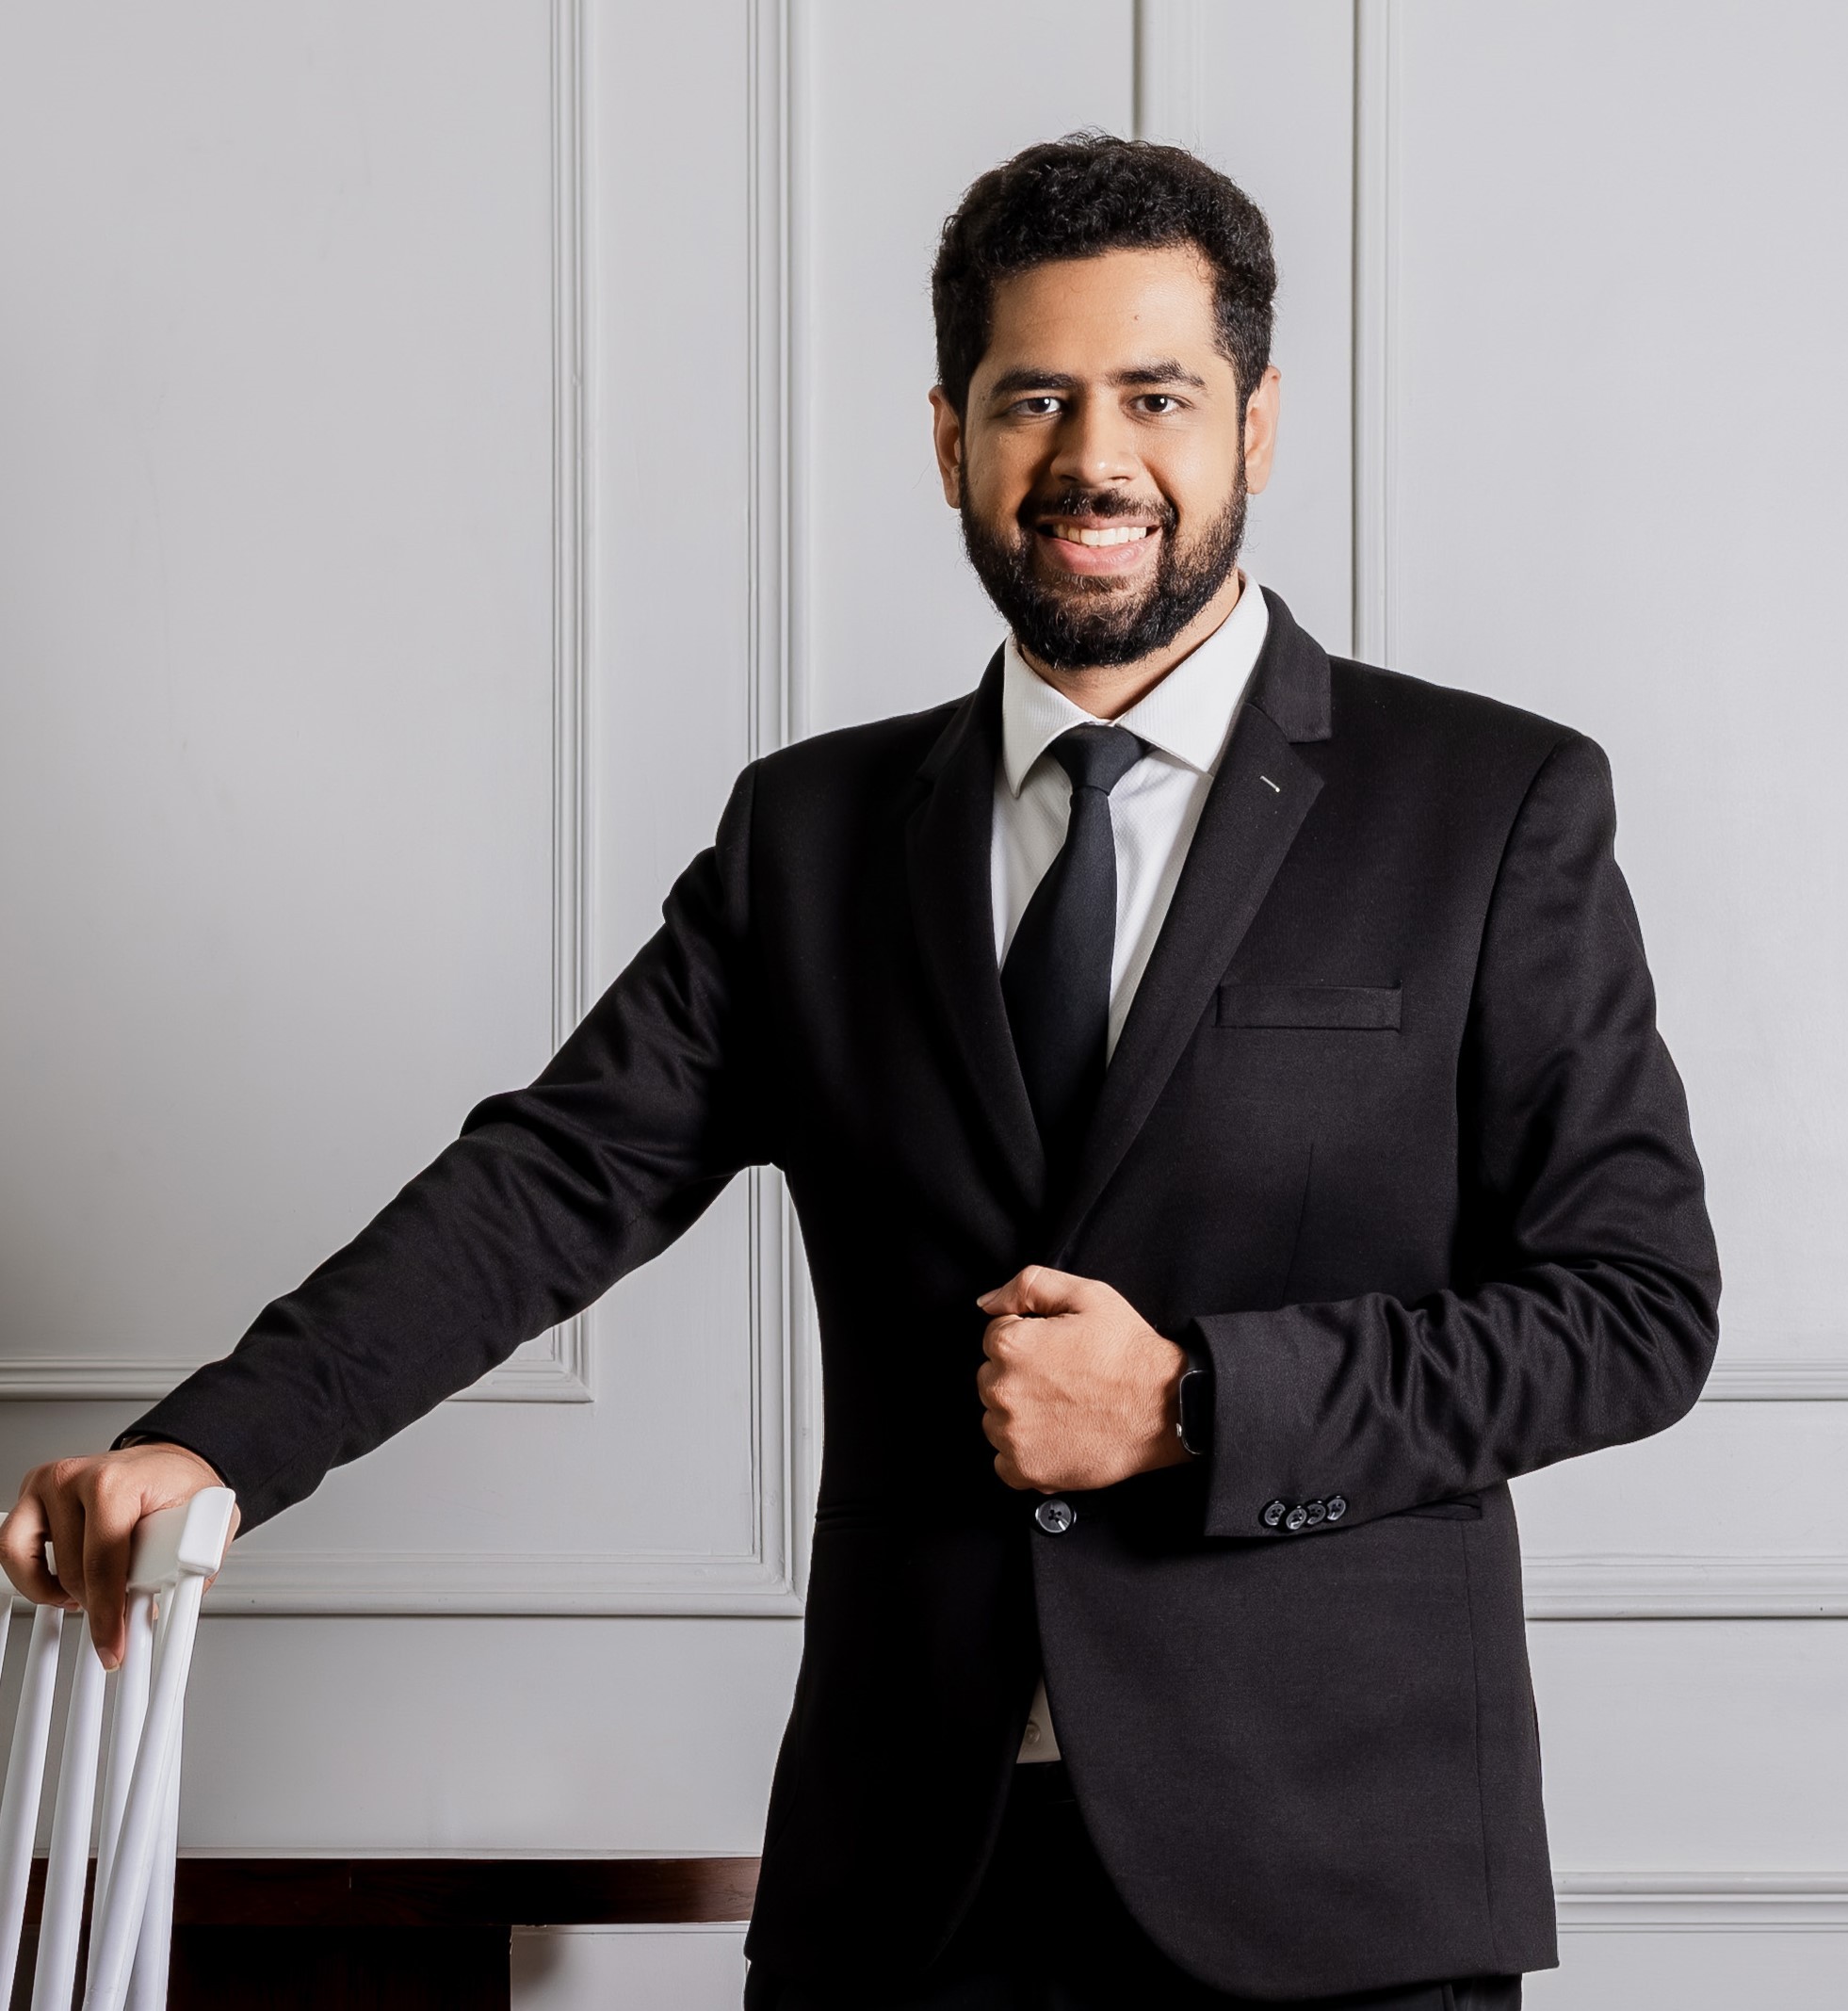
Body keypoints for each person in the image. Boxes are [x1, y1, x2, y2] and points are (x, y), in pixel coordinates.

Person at [2, 136, 1719, 2009]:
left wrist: (1202, 1401)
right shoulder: (813, 837)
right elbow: (551, 1183)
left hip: (1336, 1894)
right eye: (1032, 398)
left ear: (1258, 423)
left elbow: (1634, 1312)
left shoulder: (1486, 807)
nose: (1094, 458)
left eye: (1158, 395)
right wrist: (218, 1443)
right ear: (949, 438)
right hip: (908, 1894)